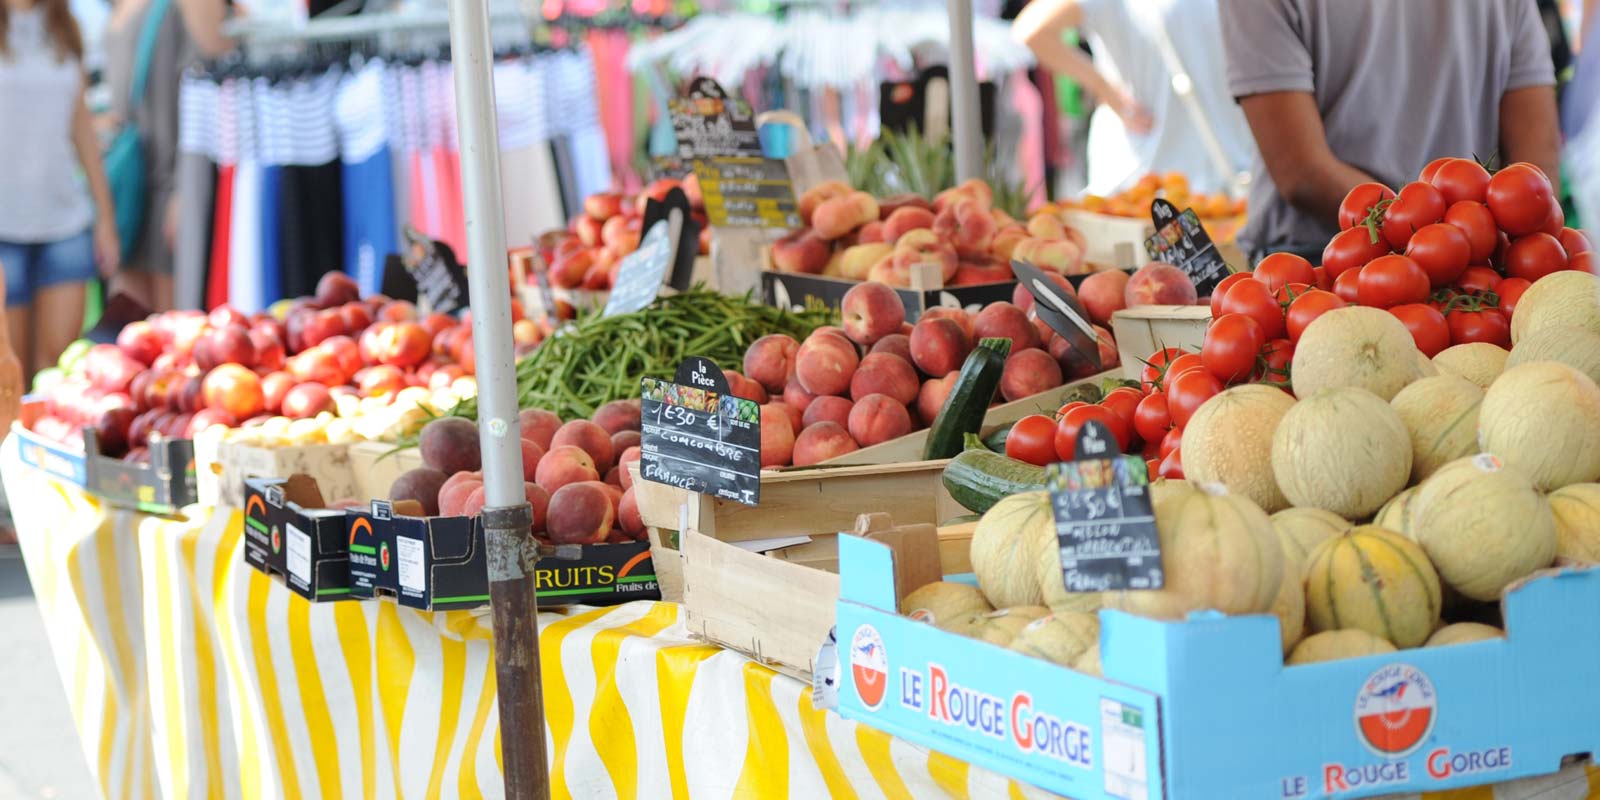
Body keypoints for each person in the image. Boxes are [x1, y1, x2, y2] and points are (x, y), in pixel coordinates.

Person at [1221, 0, 1562, 263]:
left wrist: (1434, 241)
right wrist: (1454, 241)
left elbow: (1304, 174)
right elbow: (1536, 168)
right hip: (1474, 268)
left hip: (1324, 270)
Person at [1011, 0, 1257, 196]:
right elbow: (1031, 30)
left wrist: (1106, 90)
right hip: (1149, 181)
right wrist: (1107, 90)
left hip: (1204, 176)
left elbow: (1032, 30)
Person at [0, 0, 119, 380]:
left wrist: (105, 218)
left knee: (54, 370)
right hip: (4, 227)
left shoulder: (67, 27)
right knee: (8, 375)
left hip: (65, 222)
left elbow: (81, 127)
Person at [101, 0, 229, 312]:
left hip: (167, 180)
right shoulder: (115, 9)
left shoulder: (177, 7)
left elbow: (204, 82)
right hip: (130, 180)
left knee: (170, 318)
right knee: (128, 316)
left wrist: (182, 188)